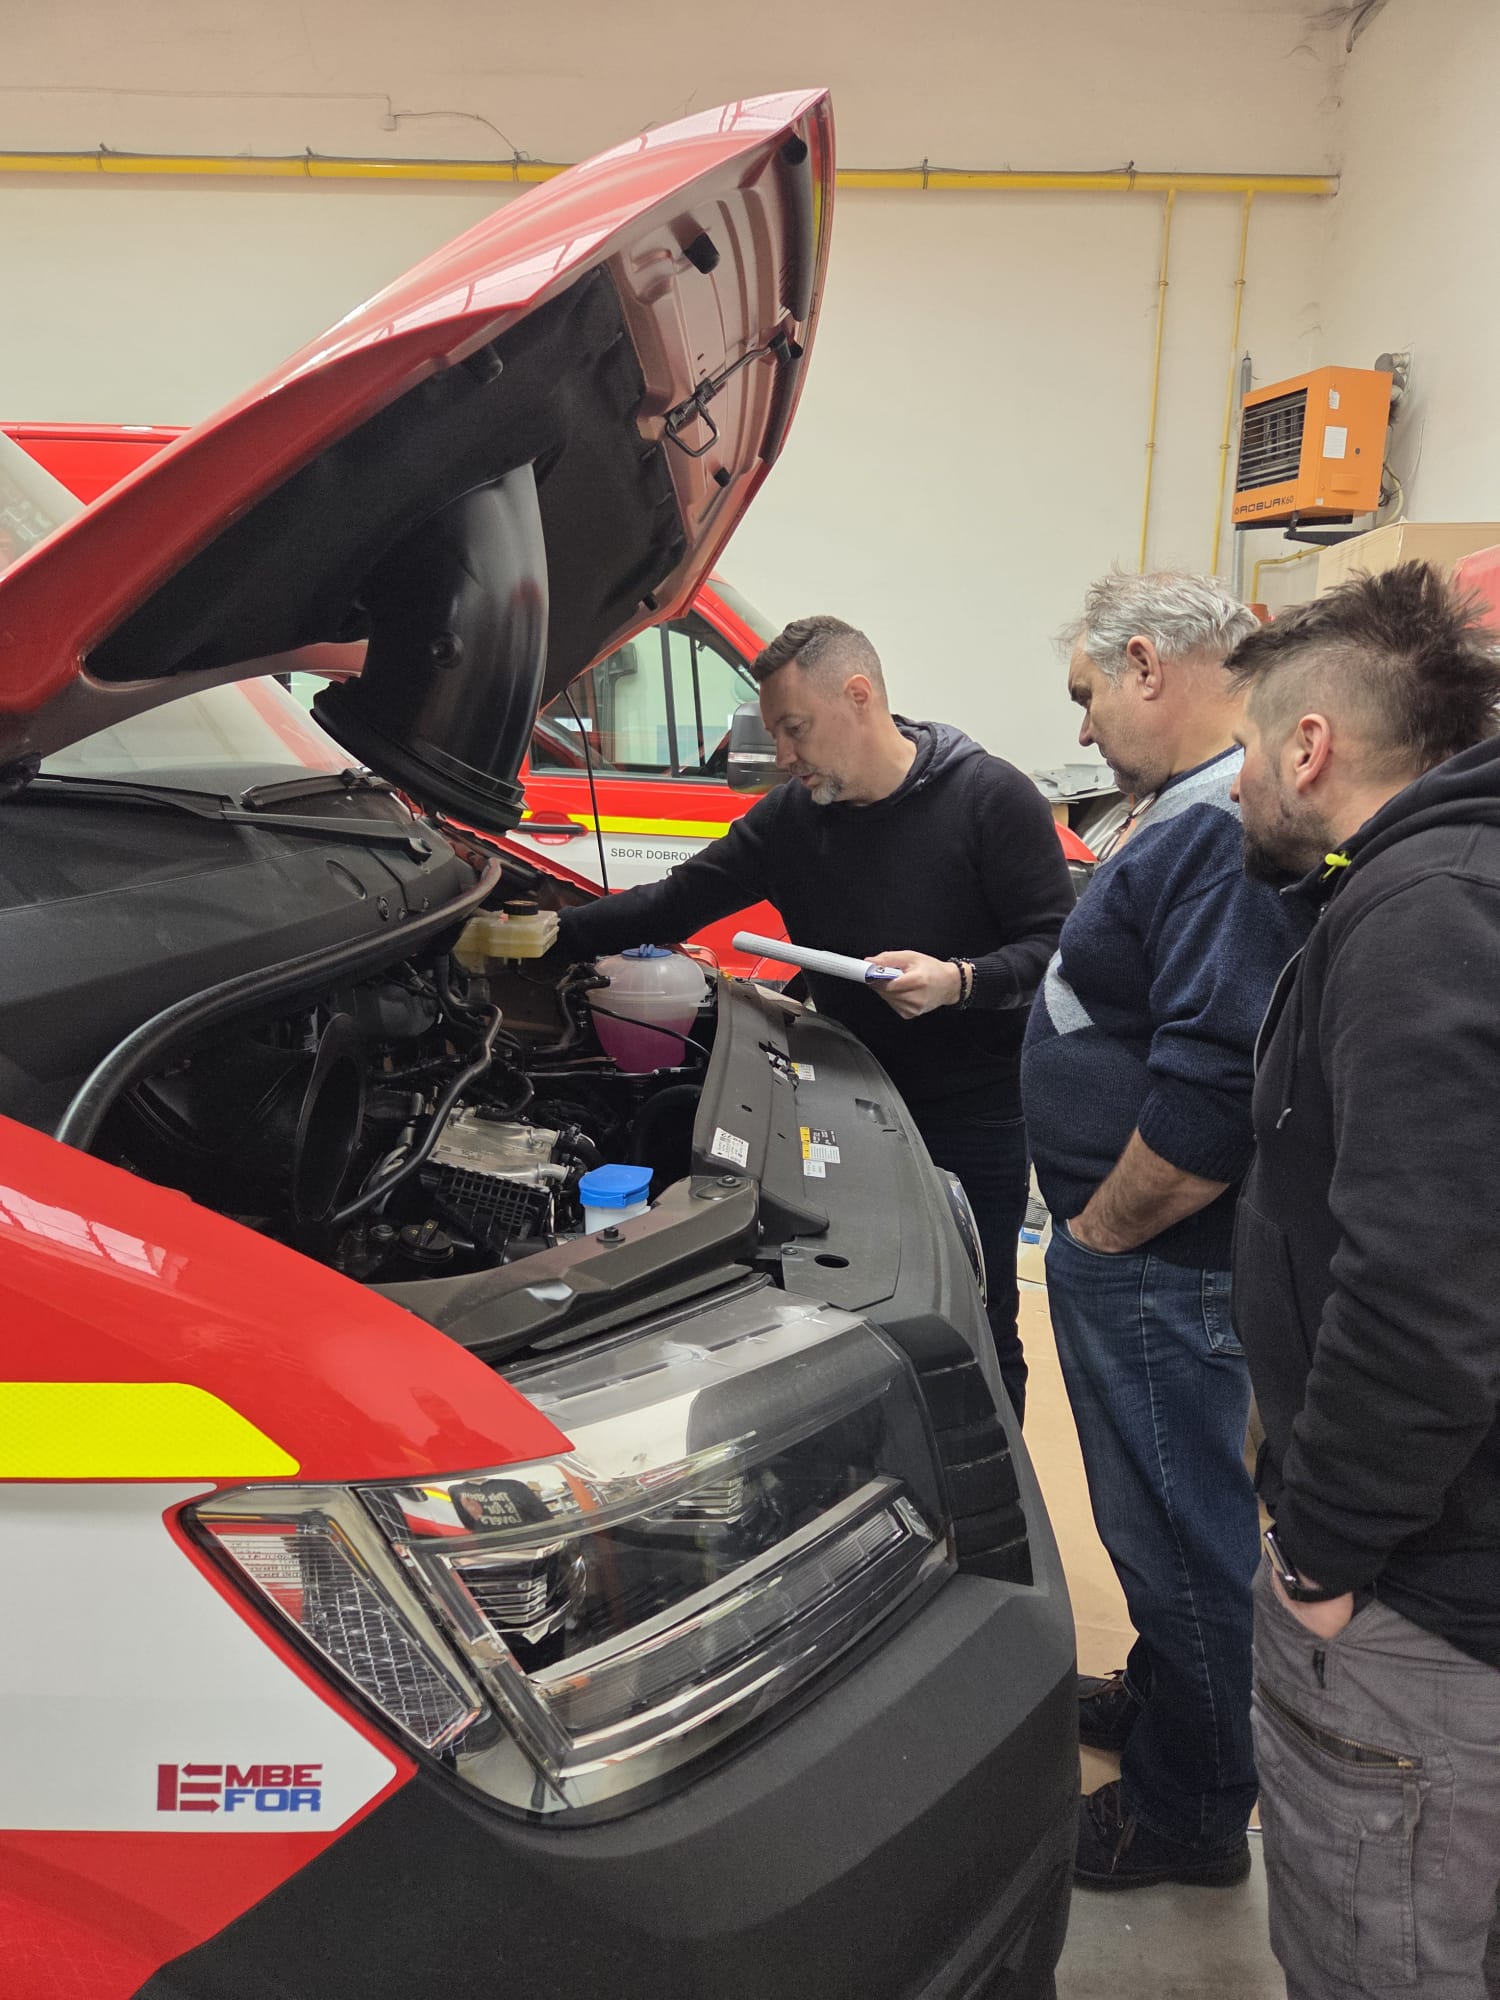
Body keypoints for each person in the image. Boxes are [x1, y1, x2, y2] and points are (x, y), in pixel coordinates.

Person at [553, 614, 1075, 1420]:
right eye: (774, 734)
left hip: (974, 1113)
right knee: (848, 1309)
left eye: (794, 729)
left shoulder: (989, 798)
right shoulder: (793, 821)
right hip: (845, 1103)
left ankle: (993, 1470)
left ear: (858, 696)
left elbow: (1055, 948)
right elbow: (675, 902)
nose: (784, 755)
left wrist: (958, 981)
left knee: (978, 1313)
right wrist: (541, 932)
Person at [1226, 562, 1500, 1998]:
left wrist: (1320, 1558)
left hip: (1419, 1599)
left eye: (1246, 748)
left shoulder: (1423, 913)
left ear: (1309, 747)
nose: (1234, 784)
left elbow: (1425, 1296)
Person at [1021, 570, 1310, 1889]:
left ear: (1146, 662)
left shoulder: (1217, 825)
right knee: (1168, 1521)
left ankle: (1191, 1813)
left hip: (1157, 1261)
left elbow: (1209, 1095)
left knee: (1179, 1540)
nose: (1082, 728)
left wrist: (1097, 1235)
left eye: (1088, 693)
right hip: (1159, 1261)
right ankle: (1165, 1695)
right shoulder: (1196, 807)